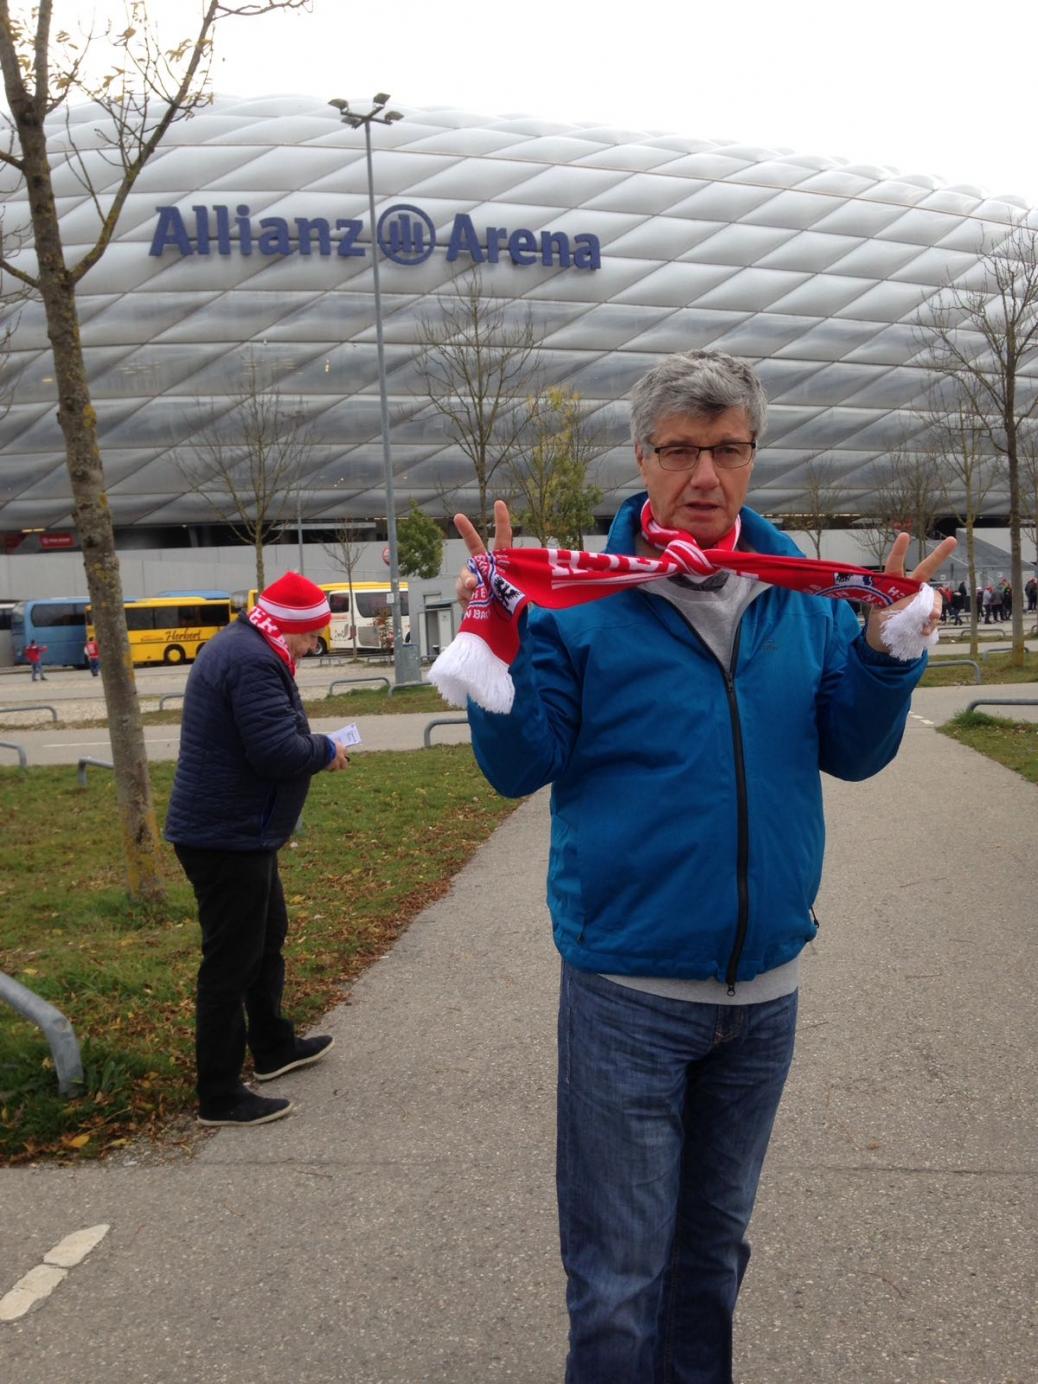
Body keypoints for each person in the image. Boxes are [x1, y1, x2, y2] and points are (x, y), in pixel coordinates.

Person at [450, 350, 953, 1383]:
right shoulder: (578, 598)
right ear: (642, 459)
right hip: (629, 988)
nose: (706, 475)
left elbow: (852, 752)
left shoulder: (802, 593)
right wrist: (493, 649)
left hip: (764, 993)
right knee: (620, 1283)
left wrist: (883, 653)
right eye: (681, 450)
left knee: (710, 1265)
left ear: (754, 456)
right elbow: (520, 766)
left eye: (727, 448)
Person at [165, 572, 351, 1128]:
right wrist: (325, 750)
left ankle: (272, 1047)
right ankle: (219, 1094)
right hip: (224, 835)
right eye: (313, 635)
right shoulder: (251, 659)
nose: (315, 645)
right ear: (291, 626)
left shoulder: (253, 645)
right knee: (230, 962)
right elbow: (273, 751)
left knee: (267, 937)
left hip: (244, 831)